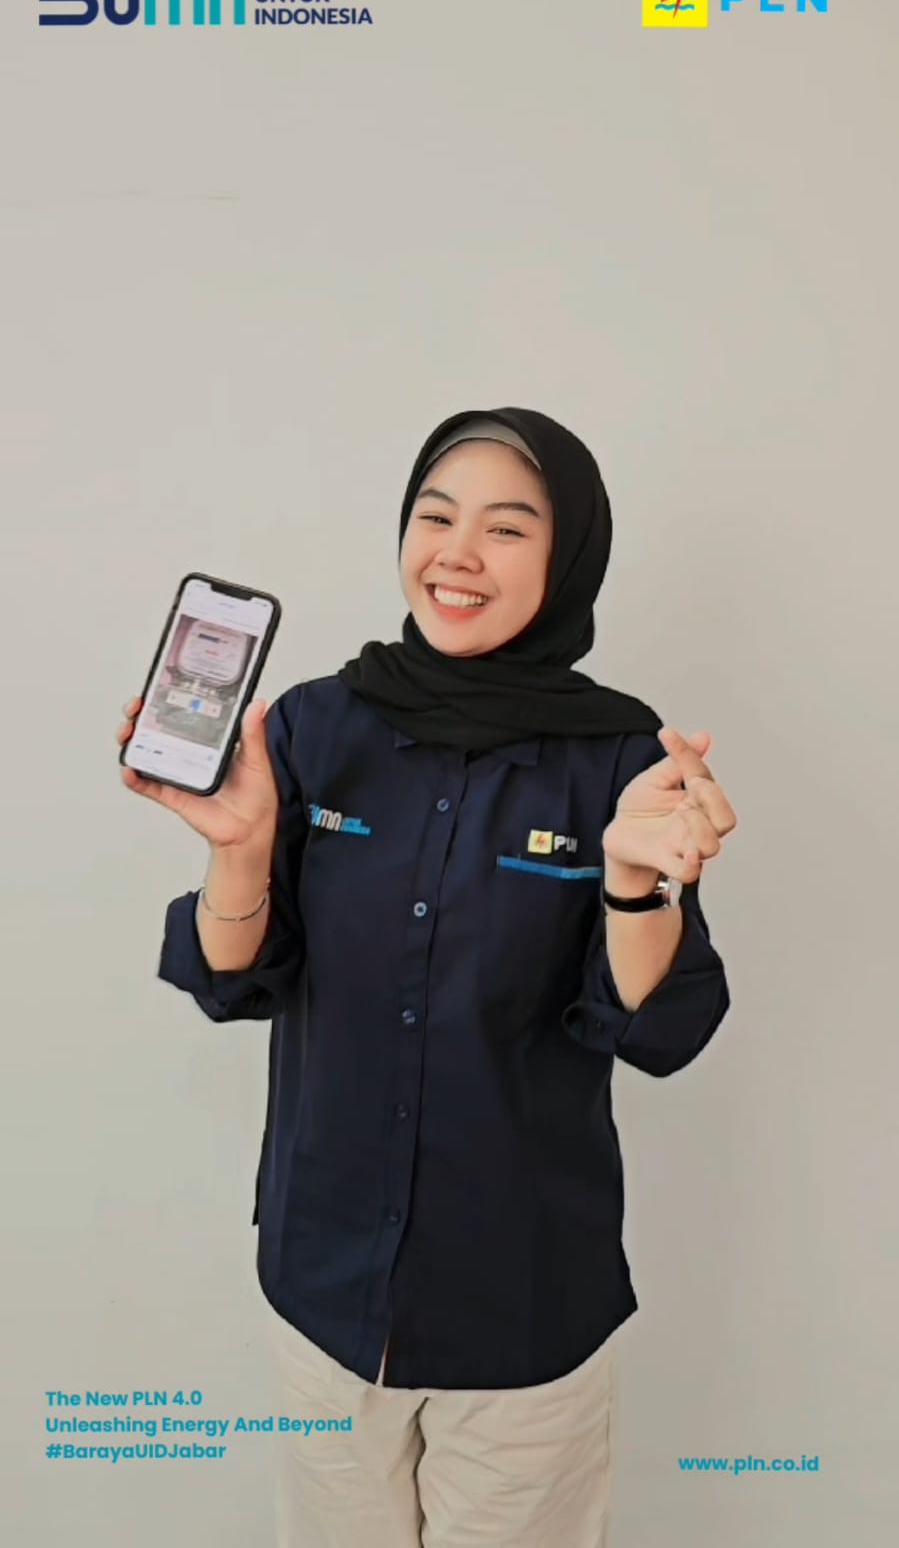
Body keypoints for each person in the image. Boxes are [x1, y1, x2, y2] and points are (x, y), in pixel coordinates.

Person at [117, 406, 737, 1547]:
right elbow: (231, 980)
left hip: (524, 1308)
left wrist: (632, 885)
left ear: (566, 558)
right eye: (434, 516)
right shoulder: (313, 725)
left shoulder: (619, 757)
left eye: (506, 528)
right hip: (324, 1288)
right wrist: (239, 847)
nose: (457, 554)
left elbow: (656, 1029)